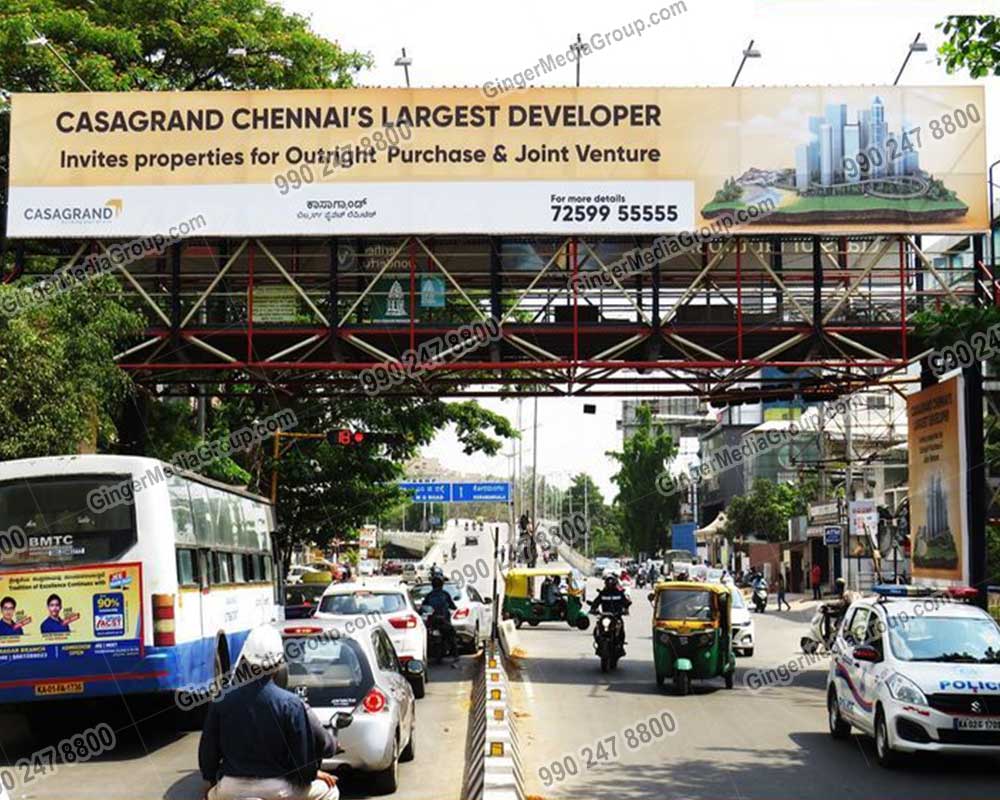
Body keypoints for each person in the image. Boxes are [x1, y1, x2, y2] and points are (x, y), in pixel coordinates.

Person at [199, 626, 339, 800]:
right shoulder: (291, 705)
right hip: (277, 789)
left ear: (245, 660)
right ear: (279, 663)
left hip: (230, 788)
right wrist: (313, 774)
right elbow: (303, 766)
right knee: (331, 791)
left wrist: (210, 781)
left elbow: (208, 754)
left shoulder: (221, 700)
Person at [420, 576, 459, 664]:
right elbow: (453, 606)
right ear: (442, 585)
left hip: (433, 621)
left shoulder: (429, 595)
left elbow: (423, 607)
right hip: (443, 621)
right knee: (452, 635)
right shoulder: (445, 594)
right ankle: (455, 655)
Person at [589, 575, 631, 655]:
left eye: (611, 584)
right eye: (608, 584)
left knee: (621, 628)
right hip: (605, 616)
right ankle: (599, 644)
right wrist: (593, 608)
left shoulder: (619, 593)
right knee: (597, 629)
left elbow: (626, 602)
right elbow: (596, 602)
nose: (610, 586)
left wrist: (625, 609)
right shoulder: (603, 593)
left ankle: (620, 646)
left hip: (616, 616)